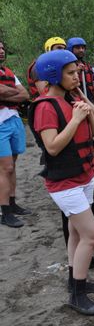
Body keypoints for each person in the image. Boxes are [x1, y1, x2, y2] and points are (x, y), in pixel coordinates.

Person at [29, 50, 94, 315]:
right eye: (71, 73)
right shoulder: (44, 107)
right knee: (92, 235)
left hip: (83, 176)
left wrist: (85, 109)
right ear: (53, 75)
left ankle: (76, 281)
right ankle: (77, 295)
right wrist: (75, 119)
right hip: (64, 182)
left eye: (77, 72)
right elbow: (52, 147)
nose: (77, 77)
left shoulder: (72, 99)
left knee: (75, 233)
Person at [0, 40, 32, 228]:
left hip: (14, 120)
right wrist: (10, 92)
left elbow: (25, 95)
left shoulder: (8, 72)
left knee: (12, 166)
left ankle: (12, 204)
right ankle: (5, 212)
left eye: (3, 48)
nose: (2, 51)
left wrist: (5, 93)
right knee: (6, 168)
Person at [67, 37, 94, 106]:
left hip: (90, 101)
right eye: (78, 48)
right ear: (70, 49)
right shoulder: (66, 67)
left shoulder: (88, 66)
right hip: (76, 103)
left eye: (83, 48)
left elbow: (93, 87)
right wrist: (76, 71)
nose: (81, 50)